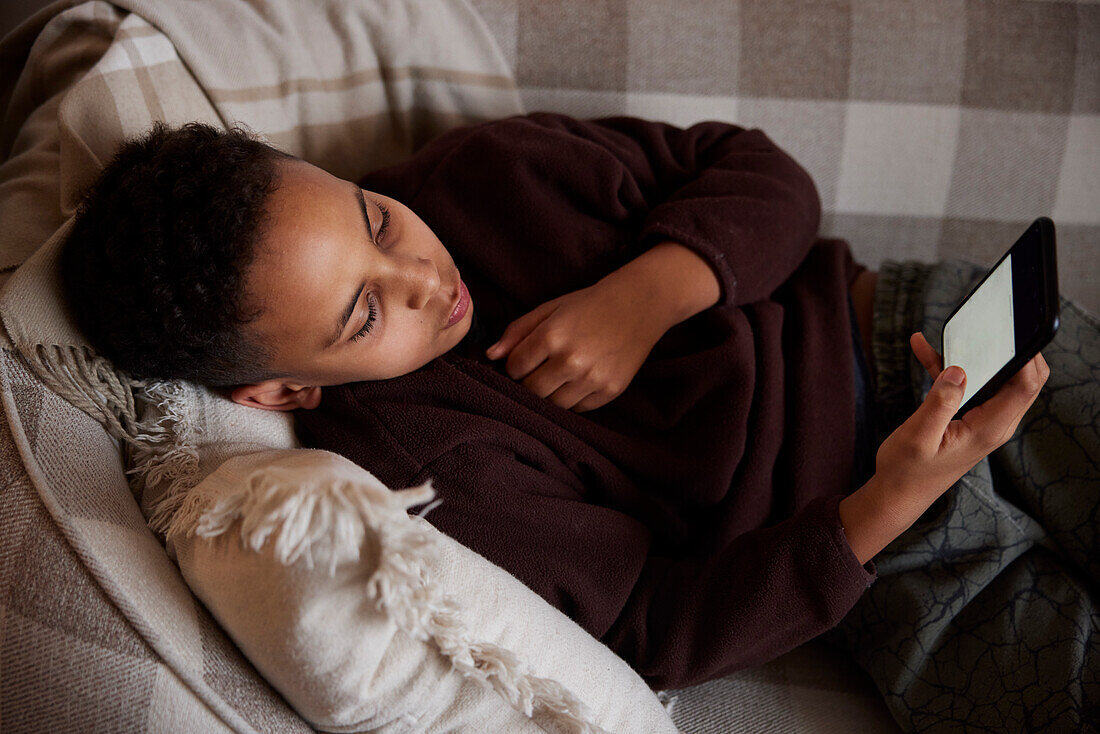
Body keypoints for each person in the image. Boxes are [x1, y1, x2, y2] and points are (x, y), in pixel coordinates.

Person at [60, 115, 1097, 731]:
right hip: (880, 542)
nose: (422, 276)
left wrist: (655, 288)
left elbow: (759, 171)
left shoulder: (482, 173)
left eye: (372, 221)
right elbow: (651, 624)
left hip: (914, 331)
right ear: (280, 393)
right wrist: (890, 499)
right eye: (363, 313)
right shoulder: (425, 464)